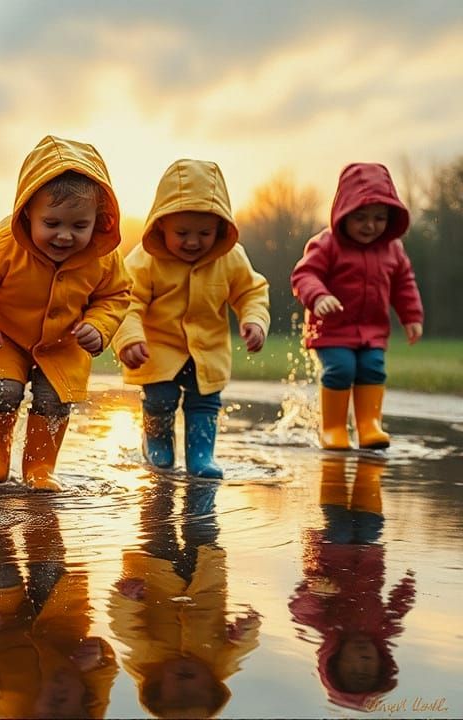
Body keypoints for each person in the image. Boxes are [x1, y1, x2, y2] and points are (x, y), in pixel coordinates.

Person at [0, 135, 130, 492]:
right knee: (3, 392)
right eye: (52, 224)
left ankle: (40, 466)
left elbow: (117, 294)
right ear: (27, 212)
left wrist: (99, 326)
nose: (64, 236)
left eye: (79, 226)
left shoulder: (104, 257)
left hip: (63, 344)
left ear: (98, 220)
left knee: (54, 399)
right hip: (2, 338)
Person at [112, 159, 269, 479]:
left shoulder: (231, 257)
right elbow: (125, 301)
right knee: (160, 400)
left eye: (205, 233)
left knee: (205, 402)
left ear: (221, 229)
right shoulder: (146, 260)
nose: (194, 241)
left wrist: (255, 320)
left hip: (207, 352)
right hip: (157, 349)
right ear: (161, 226)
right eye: (182, 233)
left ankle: (201, 455)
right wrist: (129, 337)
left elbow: (251, 291)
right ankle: (156, 441)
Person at [291, 163, 423, 450]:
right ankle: (334, 429)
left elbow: (404, 283)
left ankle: (368, 426)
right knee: (341, 369)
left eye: (379, 218)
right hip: (333, 329)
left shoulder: (393, 250)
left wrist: (411, 316)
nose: (370, 226)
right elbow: (304, 275)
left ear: (390, 217)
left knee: (372, 369)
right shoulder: (327, 244)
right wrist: (319, 296)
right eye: (360, 217)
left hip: (372, 330)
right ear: (344, 214)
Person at [0, 501, 117, 718]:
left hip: (1, 624)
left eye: (53, 702)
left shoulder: (4, 710)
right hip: (60, 620)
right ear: (85, 698)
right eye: (65, 698)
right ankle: (41, 504)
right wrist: (97, 658)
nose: (59, 689)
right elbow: (106, 670)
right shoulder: (94, 704)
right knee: (49, 568)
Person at [109, 480, 260, 718]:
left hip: (156, 572)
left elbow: (125, 628)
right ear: (212, 686)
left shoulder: (147, 658)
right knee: (201, 522)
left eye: (177, 696)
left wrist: (127, 598)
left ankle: (158, 482)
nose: (185, 686)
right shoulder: (221, 661)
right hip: (205, 572)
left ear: (157, 687)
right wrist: (246, 630)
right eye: (195, 695)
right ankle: (202, 483)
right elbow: (248, 642)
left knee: (156, 520)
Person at [288, 455, 415, 710]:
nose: (363, 661)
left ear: (335, 660)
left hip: (329, 555)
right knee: (371, 524)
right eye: (368, 669)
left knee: (341, 526)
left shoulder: (329, 627)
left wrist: (317, 593)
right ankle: (367, 470)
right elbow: (397, 610)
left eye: (354, 668)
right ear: (382, 663)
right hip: (368, 556)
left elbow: (301, 610)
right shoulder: (382, 630)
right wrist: (406, 588)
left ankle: (333, 467)